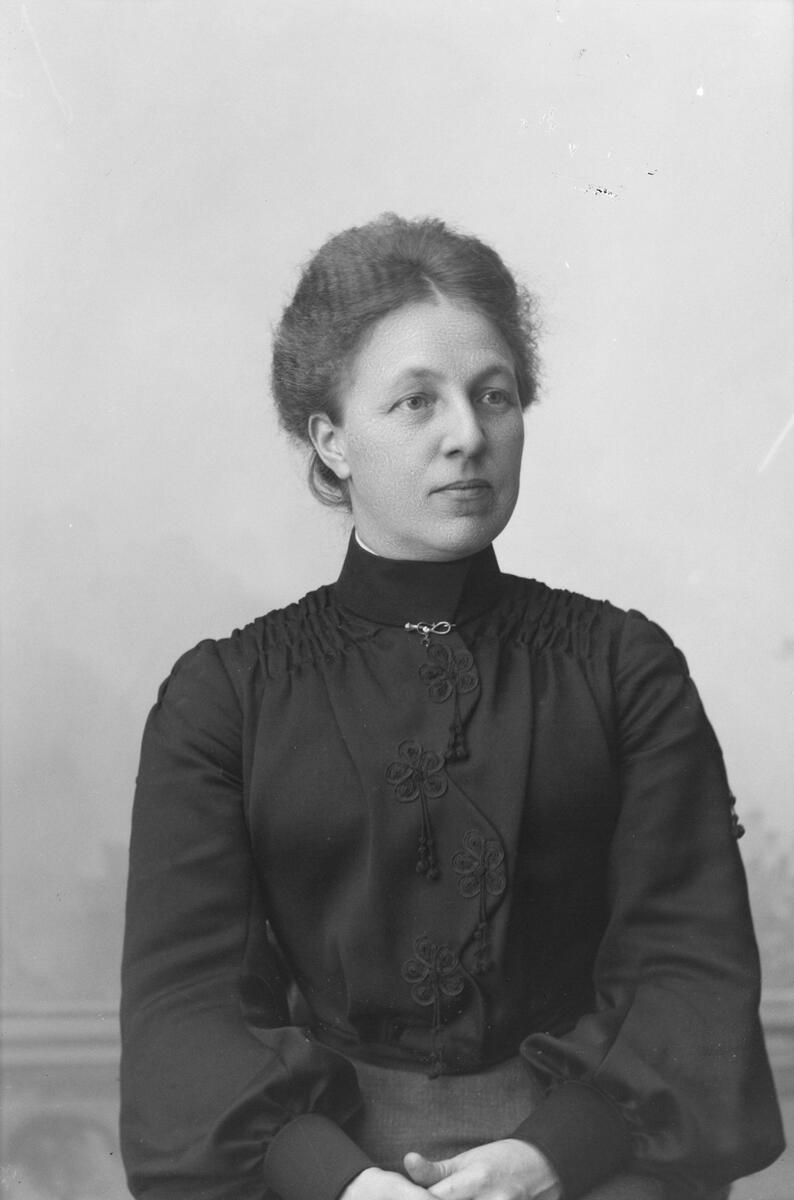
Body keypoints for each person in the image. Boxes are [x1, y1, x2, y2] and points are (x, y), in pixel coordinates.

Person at [120, 214, 784, 1200]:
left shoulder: (620, 668)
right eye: (416, 401)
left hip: (593, 1160)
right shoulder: (226, 697)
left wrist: (546, 1159)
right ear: (332, 439)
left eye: (494, 396)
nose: (468, 436)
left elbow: (686, 962)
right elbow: (188, 1003)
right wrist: (346, 1184)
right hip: (317, 1165)